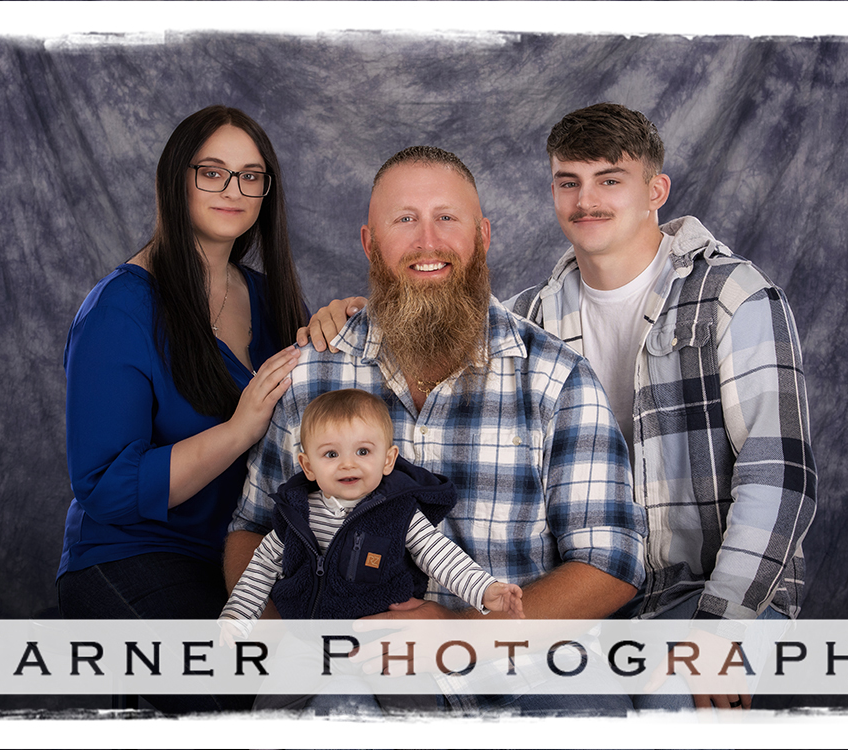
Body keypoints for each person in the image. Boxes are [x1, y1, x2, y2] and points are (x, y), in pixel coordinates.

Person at [303, 104, 818, 712]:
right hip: (599, 603)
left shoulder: (733, 296)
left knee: (672, 707)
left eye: (610, 180)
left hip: (709, 593)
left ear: (656, 190)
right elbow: (435, 302)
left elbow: (779, 476)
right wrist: (366, 311)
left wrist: (720, 626)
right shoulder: (533, 318)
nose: (586, 199)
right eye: (569, 181)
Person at [226, 146, 647, 715]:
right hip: (348, 667)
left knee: (589, 713)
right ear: (370, 245)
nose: (428, 242)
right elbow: (254, 530)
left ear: (484, 235)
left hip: (518, 664)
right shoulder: (310, 373)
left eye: (447, 217)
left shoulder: (555, 377)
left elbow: (610, 563)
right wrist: (295, 646)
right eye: (404, 220)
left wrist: (463, 632)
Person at [55, 105, 306, 713]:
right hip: (133, 553)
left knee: (322, 684)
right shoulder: (120, 308)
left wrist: (344, 327)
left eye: (251, 175)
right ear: (177, 179)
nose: (233, 189)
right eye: (212, 172)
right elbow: (108, 488)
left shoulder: (267, 297)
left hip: (241, 557)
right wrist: (240, 428)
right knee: (226, 697)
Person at [219, 388, 523, 629]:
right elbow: (260, 568)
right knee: (283, 696)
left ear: (388, 460)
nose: (348, 463)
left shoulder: (398, 512)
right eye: (331, 453)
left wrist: (486, 591)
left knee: (409, 696)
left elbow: (441, 557)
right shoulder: (296, 515)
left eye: (363, 451)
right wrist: (236, 619)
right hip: (306, 638)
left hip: (381, 635)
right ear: (308, 466)